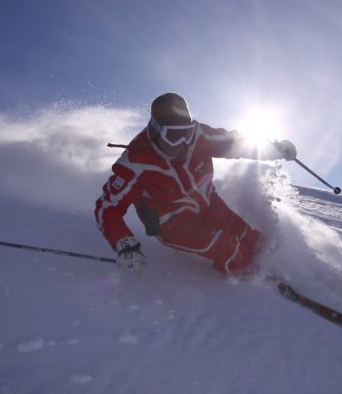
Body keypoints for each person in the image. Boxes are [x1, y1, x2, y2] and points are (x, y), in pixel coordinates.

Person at [95, 92, 296, 276]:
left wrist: (276, 149)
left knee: (252, 239)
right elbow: (108, 206)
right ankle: (253, 284)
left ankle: (283, 268)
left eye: (187, 133)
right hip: (171, 222)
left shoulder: (199, 137)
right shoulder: (135, 162)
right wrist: (124, 243)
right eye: (173, 136)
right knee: (232, 251)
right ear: (156, 131)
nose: (182, 143)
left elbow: (238, 143)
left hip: (208, 203)